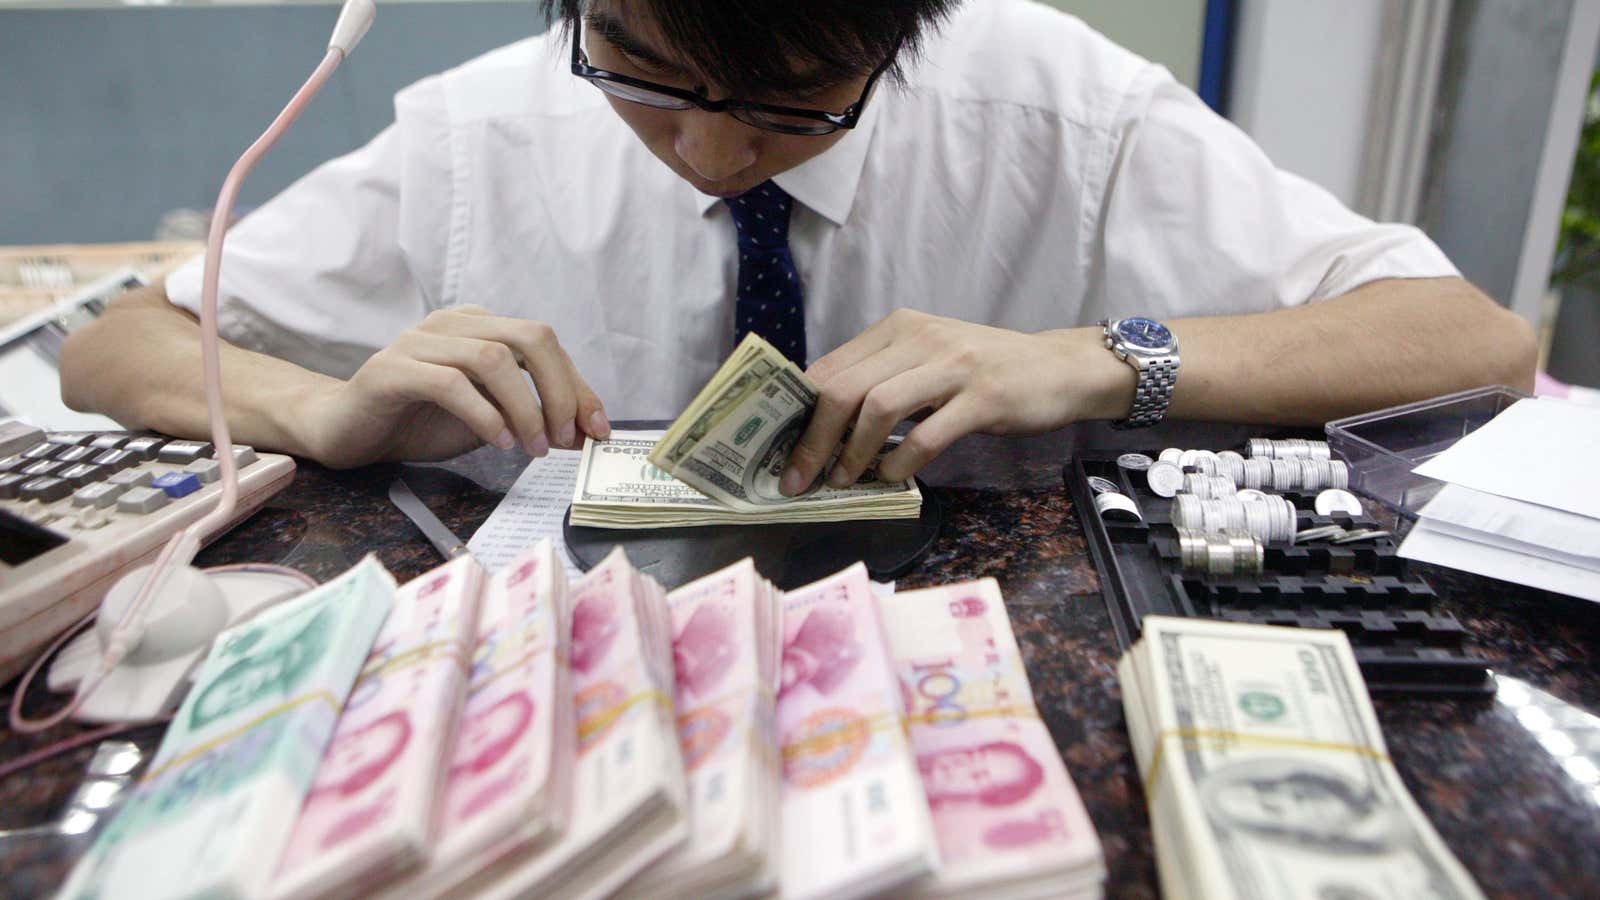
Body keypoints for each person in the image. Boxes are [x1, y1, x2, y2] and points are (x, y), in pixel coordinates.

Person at [59, 0, 1536, 492]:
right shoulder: (474, 131)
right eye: (638, 68)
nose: (708, 151)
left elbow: (1471, 336)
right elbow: (106, 346)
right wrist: (319, 409)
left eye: (790, 99)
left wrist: (1094, 364)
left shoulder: (1058, 105)